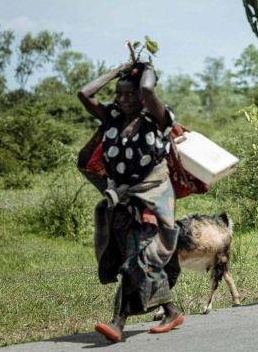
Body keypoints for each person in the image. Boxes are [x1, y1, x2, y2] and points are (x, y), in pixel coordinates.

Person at [78, 61, 183, 343]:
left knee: (139, 259)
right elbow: (84, 94)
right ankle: (171, 311)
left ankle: (117, 323)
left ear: (143, 97)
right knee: (134, 259)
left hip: (152, 199)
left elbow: (149, 88)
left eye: (130, 94)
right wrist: (119, 70)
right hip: (121, 201)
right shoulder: (111, 117)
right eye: (119, 94)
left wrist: (145, 68)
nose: (123, 100)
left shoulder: (158, 118)